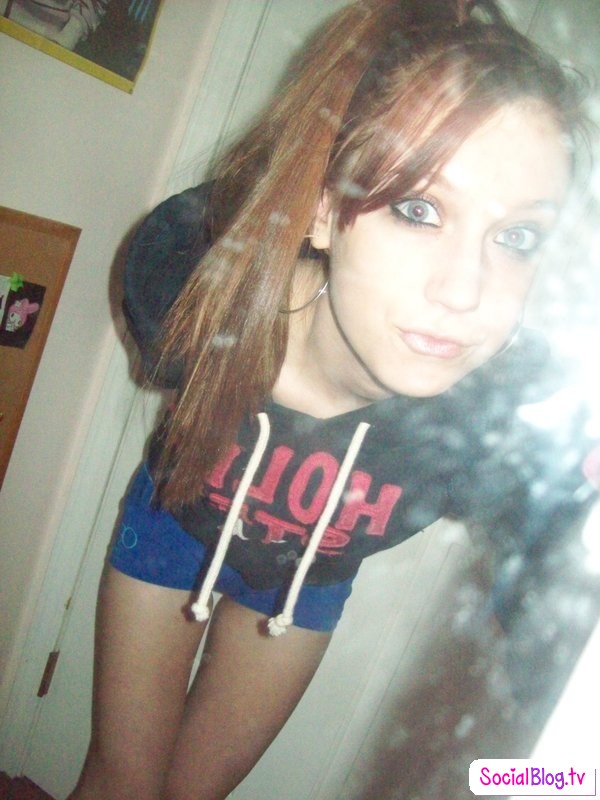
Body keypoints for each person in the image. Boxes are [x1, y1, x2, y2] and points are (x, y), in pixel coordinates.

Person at [69, 1, 598, 798]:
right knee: (123, 783)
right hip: (174, 522)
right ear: (320, 209)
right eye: (418, 209)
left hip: (304, 586)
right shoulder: (190, 294)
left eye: (517, 237)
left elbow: (550, 603)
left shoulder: (492, 429)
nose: (465, 291)